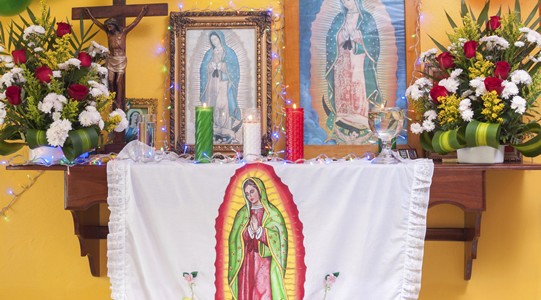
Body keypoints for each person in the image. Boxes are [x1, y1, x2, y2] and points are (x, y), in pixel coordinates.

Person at [325, 0, 381, 139]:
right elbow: (330, 38)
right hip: (342, 61)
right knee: (343, 85)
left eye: (348, 0)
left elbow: (374, 43)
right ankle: (343, 114)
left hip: (359, 60)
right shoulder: (339, 18)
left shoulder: (366, 18)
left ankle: (360, 116)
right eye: (343, 0)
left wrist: (359, 38)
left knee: (358, 85)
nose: (346, 3)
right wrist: (340, 37)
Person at [228, 177, 288, 300]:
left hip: (264, 261)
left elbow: (280, 237)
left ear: (259, 190)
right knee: (247, 291)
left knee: (262, 291)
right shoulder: (242, 213)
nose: (250, 196)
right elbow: (234, 239)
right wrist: (249, 231)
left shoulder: (272, 213)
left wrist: (260, 231)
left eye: (252, 191)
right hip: (246, 261)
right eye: (247, 194)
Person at [85, 6, 149, 110]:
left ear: (115, 25)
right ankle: (112, 100)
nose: (108, 28)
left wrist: (142, 13)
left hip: (120, 60)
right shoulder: (108, 33)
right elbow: (98, 23)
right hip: (111, 59)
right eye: (108, 26)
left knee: (119, 80)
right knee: (110, 80)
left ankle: (119, 102)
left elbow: (134, 23)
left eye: (110, 26)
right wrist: (89, 15)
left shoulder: (123, 32)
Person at [199, 31, 242, 144]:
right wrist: (210, 66)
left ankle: (225, 129)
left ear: (220, 39)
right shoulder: (209, 53)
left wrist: (223, 66)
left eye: (216, 39)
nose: (214, 42)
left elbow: (235, 68)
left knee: (223, 103)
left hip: (224, 83)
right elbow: (203, 68)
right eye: (212, 40)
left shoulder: (229, 52)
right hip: (212, 83)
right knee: (213, 103)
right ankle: (213, 127)